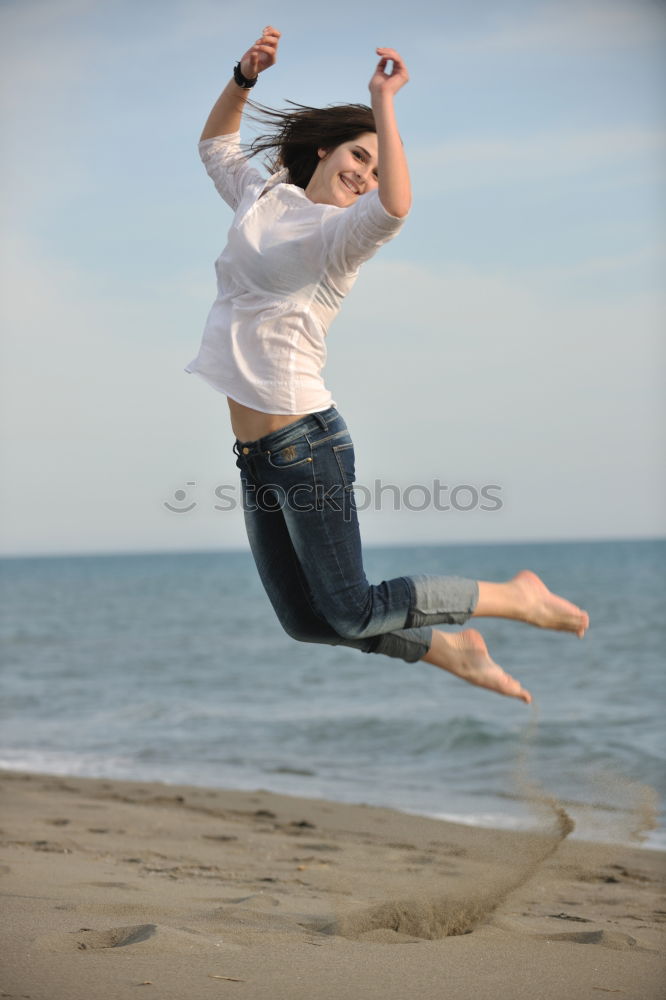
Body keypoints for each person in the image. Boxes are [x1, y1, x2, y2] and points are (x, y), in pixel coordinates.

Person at [186, 26, 589, 705]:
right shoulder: (265, 198)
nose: (364, 176)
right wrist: (243, 79)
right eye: (358, 156)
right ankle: (451, 648)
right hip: (256, 455)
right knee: (307, 622)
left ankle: (513, 599)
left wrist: (384, 101)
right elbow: (216, 146)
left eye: (375, 169)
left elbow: (396, 206)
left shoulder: (340, 239)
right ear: (325, 148)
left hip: (305, 443)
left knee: (352, 608)